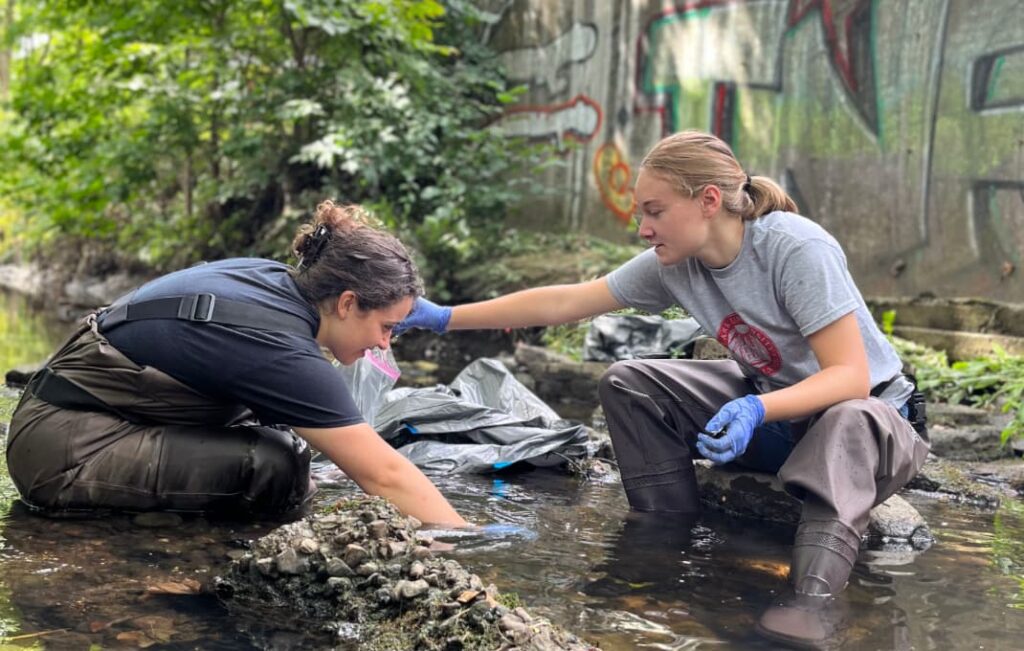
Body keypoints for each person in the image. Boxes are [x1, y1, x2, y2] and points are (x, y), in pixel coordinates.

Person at [394, 130, 930, 646]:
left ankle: (812, 600)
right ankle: (663, 544)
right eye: (641, 214)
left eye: (655, 211)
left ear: (709, 200)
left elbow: (850, 378)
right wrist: (442, 317)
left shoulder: (795, 248)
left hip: (870, 426)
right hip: (779, 418)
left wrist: (755, 407)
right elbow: (567, 301)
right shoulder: (676, 265)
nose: (644, 228)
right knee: (630, 382)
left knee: (846, 417)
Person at [6, 201, 466, 527]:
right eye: (387, 327)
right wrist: (466, 540)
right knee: (279, 465)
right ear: (347, 303)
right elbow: (384, 473)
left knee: (284, 436)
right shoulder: (284, 350)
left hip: (60, 416)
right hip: (62, 454)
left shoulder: (274, 282)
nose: (386, 344)